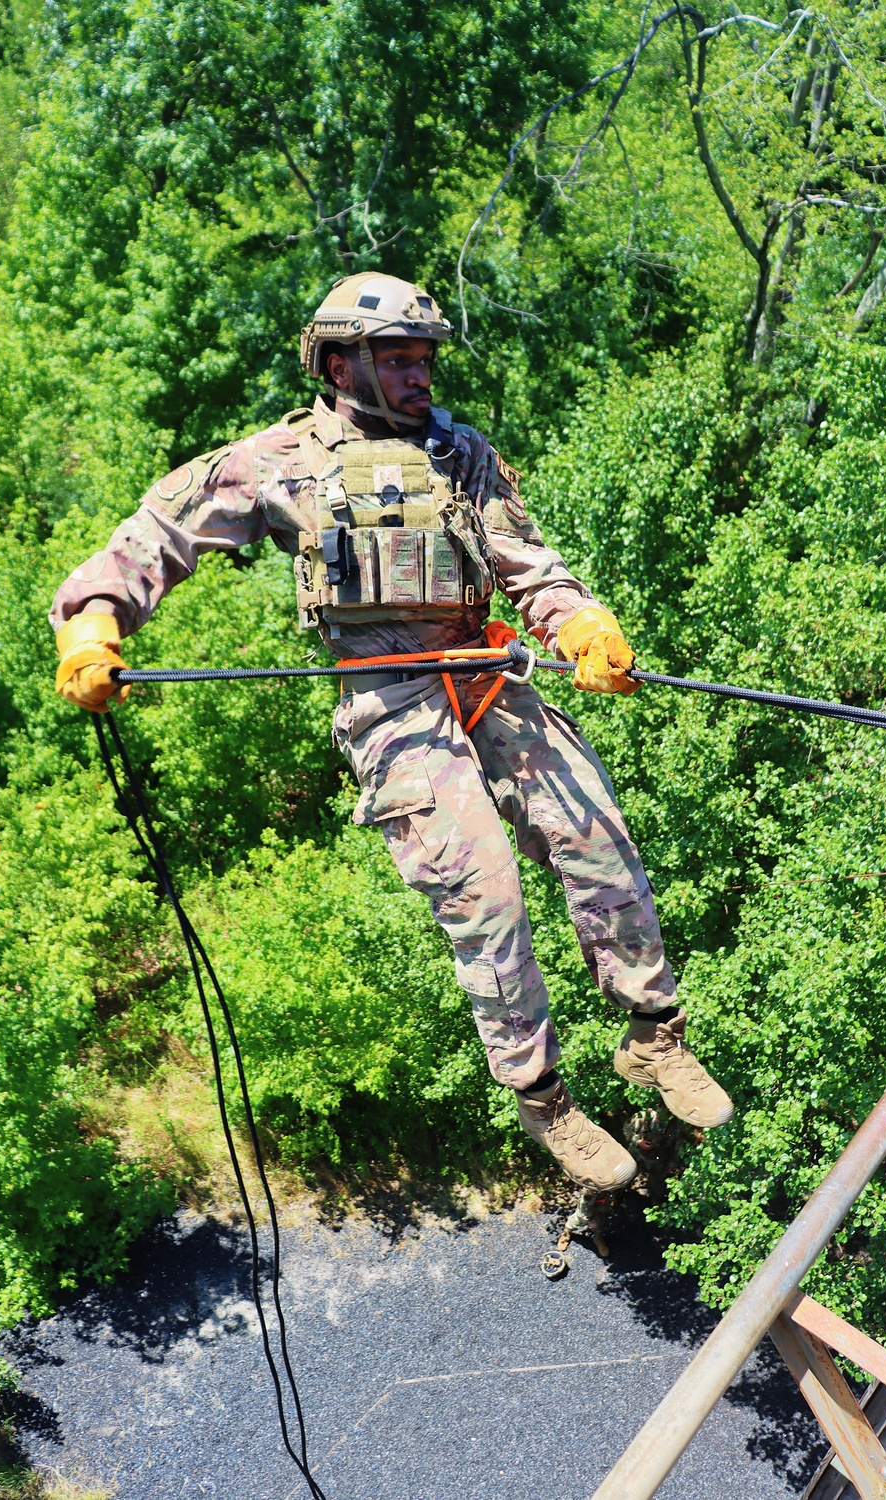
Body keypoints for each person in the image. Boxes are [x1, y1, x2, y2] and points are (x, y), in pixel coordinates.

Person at [51, 273, 732, 1191]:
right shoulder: (278, 459)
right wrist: (94, 624)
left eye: (425, 359)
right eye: (399, 360)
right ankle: (542, 1096)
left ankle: (655, 1037)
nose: (420, 377)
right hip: (389, 699)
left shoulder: (461, 452)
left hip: (484, 673)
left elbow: (527, 562)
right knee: (484, 890)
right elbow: (154, 538)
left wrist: (581, 626)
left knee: (596, 832)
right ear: (341, 363)